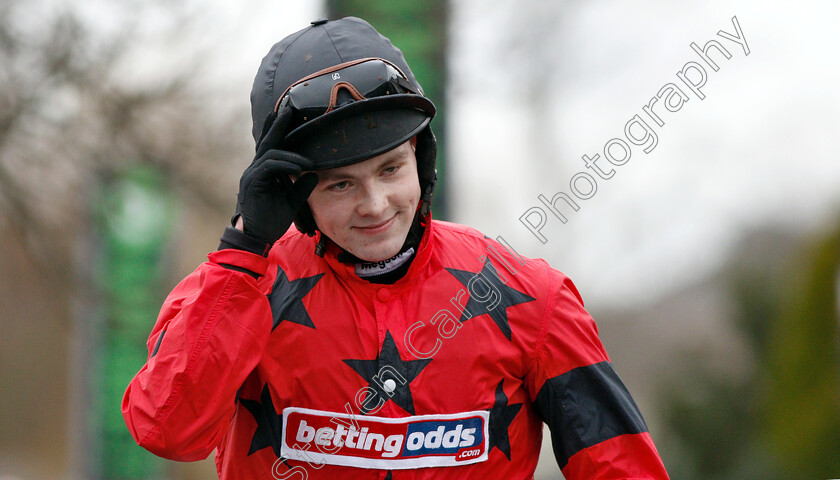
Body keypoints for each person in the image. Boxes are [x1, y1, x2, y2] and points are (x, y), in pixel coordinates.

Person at [122, 16, 670, 480]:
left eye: (391, 169)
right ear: (293, 190)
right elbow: (167, 432)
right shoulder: (236, 288)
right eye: (341, 184)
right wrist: (244, 250)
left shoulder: (531, 298)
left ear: (421, 158)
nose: (376, 204)